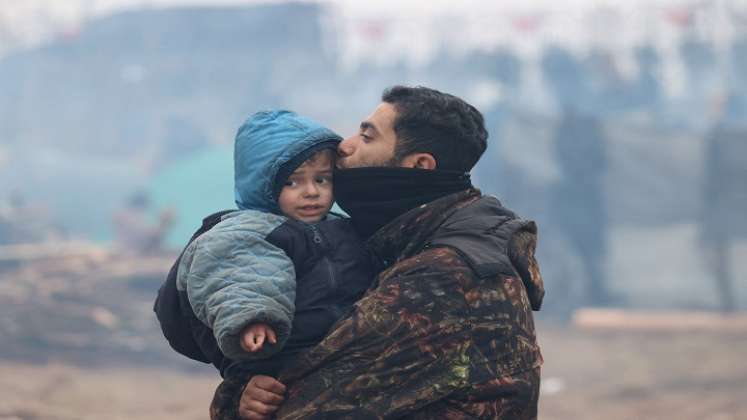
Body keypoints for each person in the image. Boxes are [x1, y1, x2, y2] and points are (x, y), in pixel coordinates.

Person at [210, 86, 545, 419]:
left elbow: (299, 407)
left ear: (419, 165)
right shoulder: (429, 236)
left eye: (367, 138)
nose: (345, 145)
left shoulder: (443, 275)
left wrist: (237, 396)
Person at [159, 110, 374, 378]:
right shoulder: (249, 231)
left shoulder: (343, 226)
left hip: (350, 355)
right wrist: (253, 318)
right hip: (280, 354)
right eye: (292, 181)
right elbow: (241, 276)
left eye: (321, 179)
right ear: (262, 184)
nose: (311, 191)